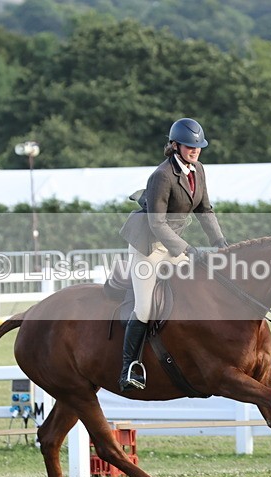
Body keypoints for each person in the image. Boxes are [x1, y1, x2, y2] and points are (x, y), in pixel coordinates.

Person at [117, 117, 228, 391]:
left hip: (173, 243)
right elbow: (157, 224)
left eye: (198, 146)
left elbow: (205, 210)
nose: (195, 150)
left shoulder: (198, 170)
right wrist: (188, 249)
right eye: (190, 146)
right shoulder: (161, 176)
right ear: (175, 145)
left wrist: (221, 243)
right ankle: (129, 367)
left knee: (200, 283)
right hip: (149, 246)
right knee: (144, 307)